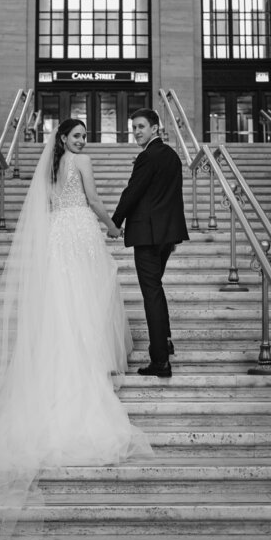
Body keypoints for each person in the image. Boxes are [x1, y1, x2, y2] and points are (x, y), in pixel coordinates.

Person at [0, 119, 153, 535]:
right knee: (86, 298)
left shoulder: (49, 168)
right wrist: (113, 226)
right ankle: (85, 368)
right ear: (64, 138)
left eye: (84, 135)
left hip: (58, 237)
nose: (83, 141)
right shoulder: (80, 162)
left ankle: (63, 369)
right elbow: (96, 200)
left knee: (66, 303)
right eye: (77, 135)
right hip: (80, 233)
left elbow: (48, 210)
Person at [112, 109, 189, 378]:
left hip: (147, 236)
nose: (136, 131)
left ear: (155, 129)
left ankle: (160, 360)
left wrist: (115, 222)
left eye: (141, 127)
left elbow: (132, 192)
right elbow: (172, 196)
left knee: (151, 293)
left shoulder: (147, 157)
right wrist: (173, 232)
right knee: (156, 288)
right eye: (134, 127)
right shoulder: (172, 156)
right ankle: (164, 341)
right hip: (166, 236)